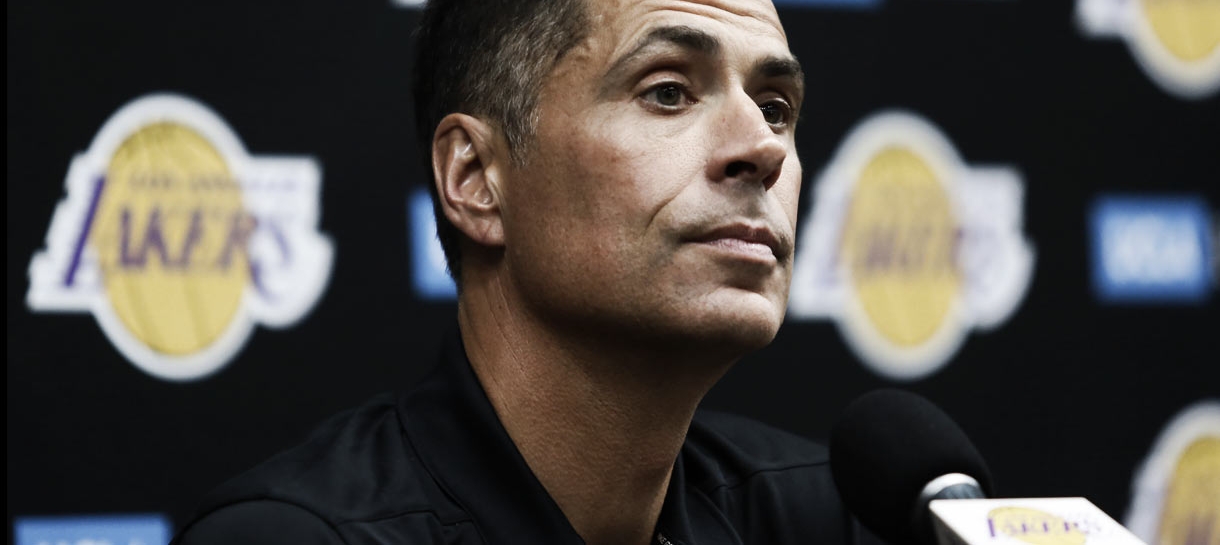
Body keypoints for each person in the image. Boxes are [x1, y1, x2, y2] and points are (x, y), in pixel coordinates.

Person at [172, 0, 884, 543]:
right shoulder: (296, 536)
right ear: (476, 178)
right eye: (668, 91)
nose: (764, 149)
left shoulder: (827, 517)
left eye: (775, 108)